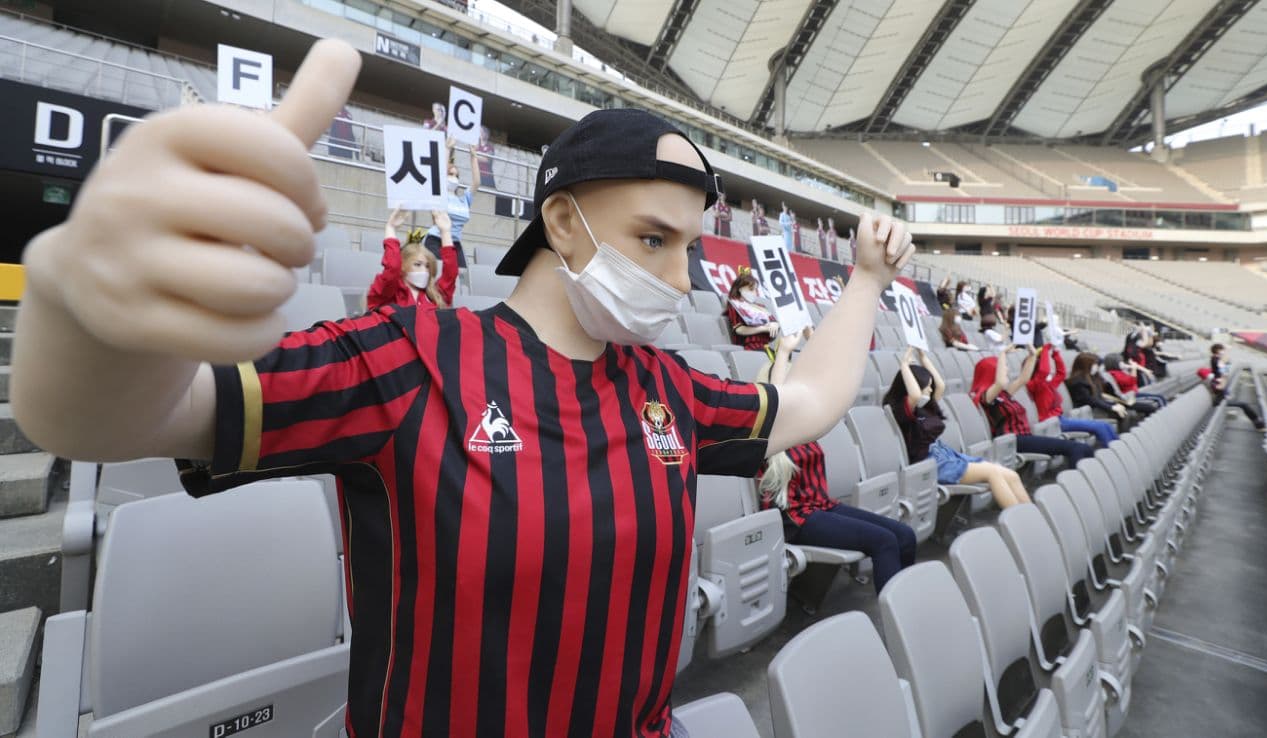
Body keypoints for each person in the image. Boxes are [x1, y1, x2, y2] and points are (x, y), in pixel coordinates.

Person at [11, 40, 915, 737]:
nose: (682, 279)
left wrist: (867, 280)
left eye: (688, 247)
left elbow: (807, 406)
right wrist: (79, 306)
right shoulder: (412, 358)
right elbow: (116, 420)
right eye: (653, 240)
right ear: (561, 220)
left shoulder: (665, 389)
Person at [758, 339, 916, 593]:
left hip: (822, 505)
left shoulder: (804, 424)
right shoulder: (769, 427)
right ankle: (897, 617)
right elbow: (778, 398)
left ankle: (908, 600)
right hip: (795, 518)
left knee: (905, 535)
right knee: (884, 541)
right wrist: (785, 352)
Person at [885, 348, 1030, 508]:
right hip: (933, 464)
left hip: (947, 455)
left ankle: (1031, 517)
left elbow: (940, 385)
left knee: (1011, 475)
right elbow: (915, 395)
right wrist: (904, 365)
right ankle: (1021, 517)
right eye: (927, 386)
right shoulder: (904, 412)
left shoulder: (925, 407)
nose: (931, 390)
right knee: (993, 473)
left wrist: (924, 358)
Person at [970, 348, 1094, 469]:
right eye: (1003, 367)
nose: (1007, 370)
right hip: (1014, 441)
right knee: (1076, 448)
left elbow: (1024, 378)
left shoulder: (1004, 393)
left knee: (1084, 449)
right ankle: (1073, 482)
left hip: (1025, 437)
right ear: (992, 372)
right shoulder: (986, 397)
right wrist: (1002, 353)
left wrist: (1032, 354)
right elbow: (1001, 382)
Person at [1026, 342, 1118, 447]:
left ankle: (1118, 452)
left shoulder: (1048, 384)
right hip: (1052, 423)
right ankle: (1112, 452)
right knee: (1100, 427)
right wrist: (1046, 350)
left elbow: (1061, 373)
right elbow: (1044, 371)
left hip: (1060, 419)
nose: (1050, 371)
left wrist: (1055, 353)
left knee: (1105, 425)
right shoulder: (1034, 385)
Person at [367, 206, 458, 311]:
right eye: (417, 264)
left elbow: (451, 274)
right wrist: (390, 228)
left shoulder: (435, 295)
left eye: (427, 266)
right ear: (403, 265)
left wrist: (445, 232)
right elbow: (392, 267)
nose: (424, 270)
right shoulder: (388, 294)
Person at [424, 140, 478, 269]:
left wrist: (473, 156)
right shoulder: (439, 194)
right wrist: (448, 148)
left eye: (457, 175)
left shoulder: (464, 199)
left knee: (462, 275)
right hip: (435, 239)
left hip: (455, 242)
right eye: (451, 174)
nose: (454, 177)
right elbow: (438, 175)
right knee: (437, 275)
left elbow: (476, 182)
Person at [1066, 353, 1143, 430]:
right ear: (1085, 365)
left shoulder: (1092, 378)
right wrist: (1111, 407)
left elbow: (1101, 395)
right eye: (1094, 365)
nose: (1097, 367)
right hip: (1088, 412)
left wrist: (1113, 404)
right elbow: (1092, 400)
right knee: (1123, 413)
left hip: (1097, 407)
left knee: (1125, 409)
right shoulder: (1078, 382)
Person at [1206, 344, 1265, 430]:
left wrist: (1225, 362)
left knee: (1244, 405)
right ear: (1217, 351)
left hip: (1221, 397)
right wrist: (1224, 363)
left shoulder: (1217, 362)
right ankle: (1259, 425)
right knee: (1244, 405)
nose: (1223, 352)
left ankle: (1259, 424)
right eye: (1221, 350)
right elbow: (1222, 373)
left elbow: (1224, 370)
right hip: (1218, 401)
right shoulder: (1215, 362)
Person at [724, 270, 779, 351]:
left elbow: (773, 321)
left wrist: (775, 324)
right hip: (750, 346)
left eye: (755, 289)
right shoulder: (735, 306)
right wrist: (762, 328)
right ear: (740, 289)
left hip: (765, 345)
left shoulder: (760, 306)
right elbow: (739, 330)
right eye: (751, 289)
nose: (754, 293)